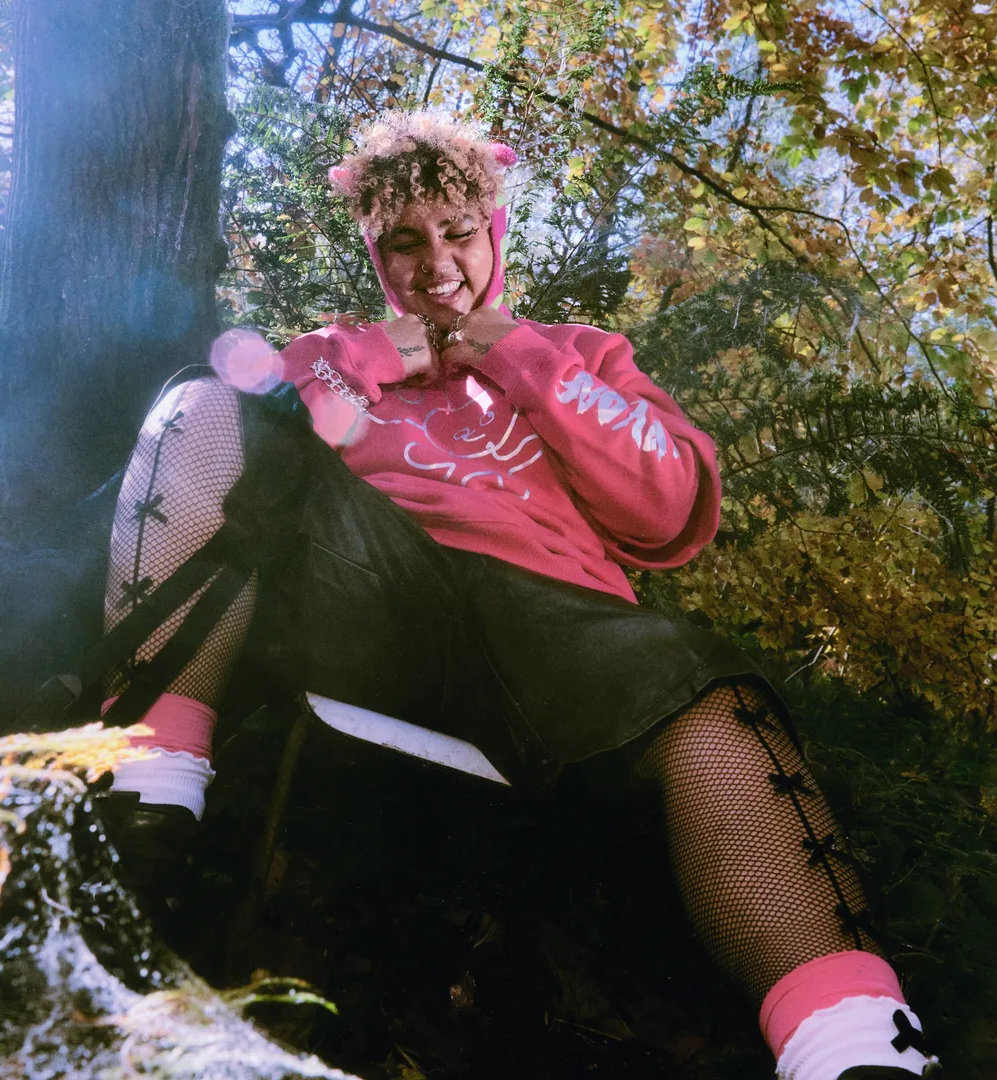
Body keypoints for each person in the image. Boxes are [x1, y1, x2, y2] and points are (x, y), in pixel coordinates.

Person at [97, 112, 942, 1080]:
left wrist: (516, 353)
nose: (437, 264)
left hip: (563, 636)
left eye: (458, 232)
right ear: (377, 253)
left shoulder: (583, 350)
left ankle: (855, 1045)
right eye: (405, 242)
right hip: (377, 590)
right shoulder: (337, 348)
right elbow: (246, 452)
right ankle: (146, 805)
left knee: (709, 692)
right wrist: (372, 360)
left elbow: (670, 504)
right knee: (199, 403)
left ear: (493, 233)